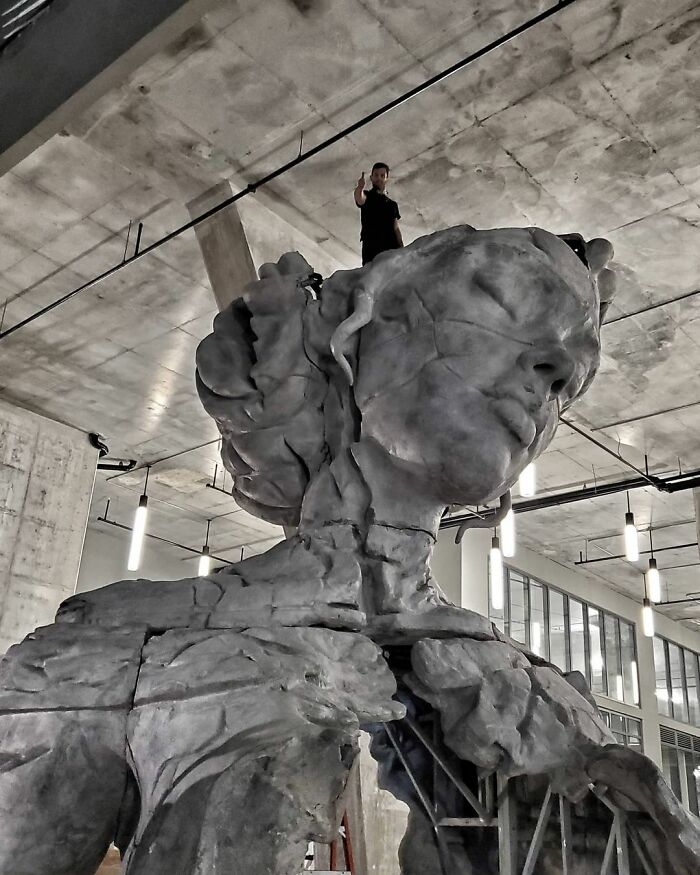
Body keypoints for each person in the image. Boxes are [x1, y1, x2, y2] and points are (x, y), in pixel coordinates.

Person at [353, 162, 403, 265]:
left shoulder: (392, 204)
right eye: (376, 175)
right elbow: (360, 198)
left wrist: (402, 248)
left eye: (382, 176)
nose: (379, 178)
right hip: (372, 248)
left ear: (387, 178)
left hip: (391, 247)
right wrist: (360, 188)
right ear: (371, 178)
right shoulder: (367, 196)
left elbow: (396, 228)